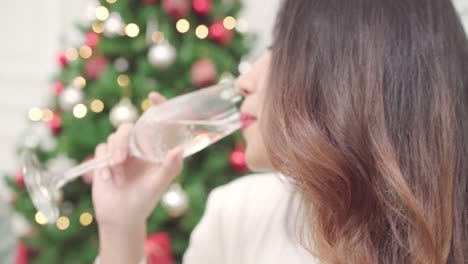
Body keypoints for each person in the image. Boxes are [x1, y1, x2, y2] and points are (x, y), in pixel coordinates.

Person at [92, 0, 468, 263]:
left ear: (342, 76)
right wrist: (120, 228)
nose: (243, 81)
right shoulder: (237, 213)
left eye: (277, 49)